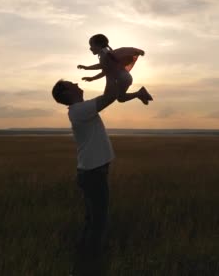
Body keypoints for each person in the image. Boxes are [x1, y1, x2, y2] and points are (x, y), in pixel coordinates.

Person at [51, 71, 118, 275]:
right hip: (93, 174)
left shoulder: (80, 109)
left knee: (92, 218)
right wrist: (110, 70)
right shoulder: (79, 110)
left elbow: (109, 96)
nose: (77, 83)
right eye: (72, 83)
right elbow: (109, 97)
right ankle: (92, 262)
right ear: (67, 92)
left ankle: (84, 256)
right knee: (99, 220)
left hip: (91, 172)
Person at [77, 33, 153, 105]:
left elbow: (102, 65)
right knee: (120, 98)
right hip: (125, 77)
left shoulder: (105, 53)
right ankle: (140, 93)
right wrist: (92, 78)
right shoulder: (107, 53)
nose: (90, 48)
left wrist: (86, 67)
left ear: (99, 45)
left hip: (119, 78)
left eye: (92, 45)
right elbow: (105, 71)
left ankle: (140, 94)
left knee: (108, 96)